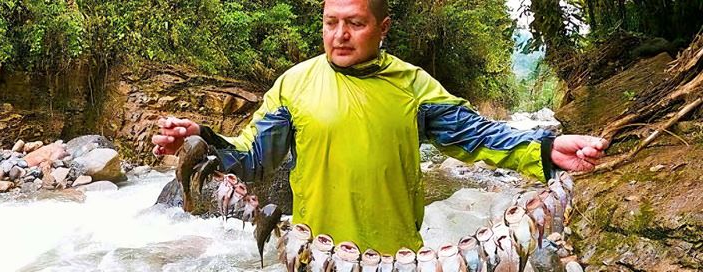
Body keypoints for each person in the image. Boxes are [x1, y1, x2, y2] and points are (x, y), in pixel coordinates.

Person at [151, 0, 608, 255]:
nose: (340, 35)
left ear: (382, 27)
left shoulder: (413, 86)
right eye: (331, 23)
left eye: (355, 23)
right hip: (314, 253)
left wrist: (547, 148)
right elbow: (253, 158)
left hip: (397, 257)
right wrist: (201, 139)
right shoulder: (295, 84)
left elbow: (477, 135)